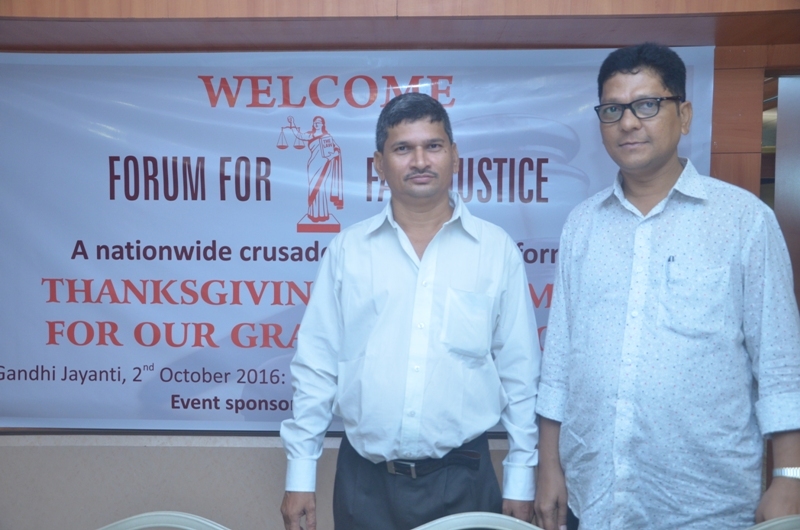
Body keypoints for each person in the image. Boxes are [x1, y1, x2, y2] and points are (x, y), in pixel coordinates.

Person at [534, 43, 800, 530]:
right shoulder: (583, 225)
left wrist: (790, 476)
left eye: (647, 105)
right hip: (596, 496)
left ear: (685, 115)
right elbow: (560, 359)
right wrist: (548, 465)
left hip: (706, 504)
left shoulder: (743, 221)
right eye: (613, 109)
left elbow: (781, 363)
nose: (628, 123)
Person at [279, 92, 541, 530]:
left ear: (455, 156)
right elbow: (316, 367)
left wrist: (521, 478)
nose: (420, 160)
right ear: (379, 165)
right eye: (403, 148)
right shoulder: (348, 251)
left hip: (464, 480)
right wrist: (300, 476)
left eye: (433, 146)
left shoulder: (495, 252)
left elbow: (520, 373)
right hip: (365, 484)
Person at [289, 115, 344, 222]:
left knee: (322, 188)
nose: (316, 124)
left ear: (322, 124)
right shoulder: (310, 135)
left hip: (325, 164)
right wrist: (292, 124)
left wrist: (333, 155)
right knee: (312, 187)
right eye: (315, 122)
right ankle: (313, 214)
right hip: (313, 165)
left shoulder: (327, 137)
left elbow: (337, 148)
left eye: (318, 122)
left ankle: (322, 214)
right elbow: (299, 135)